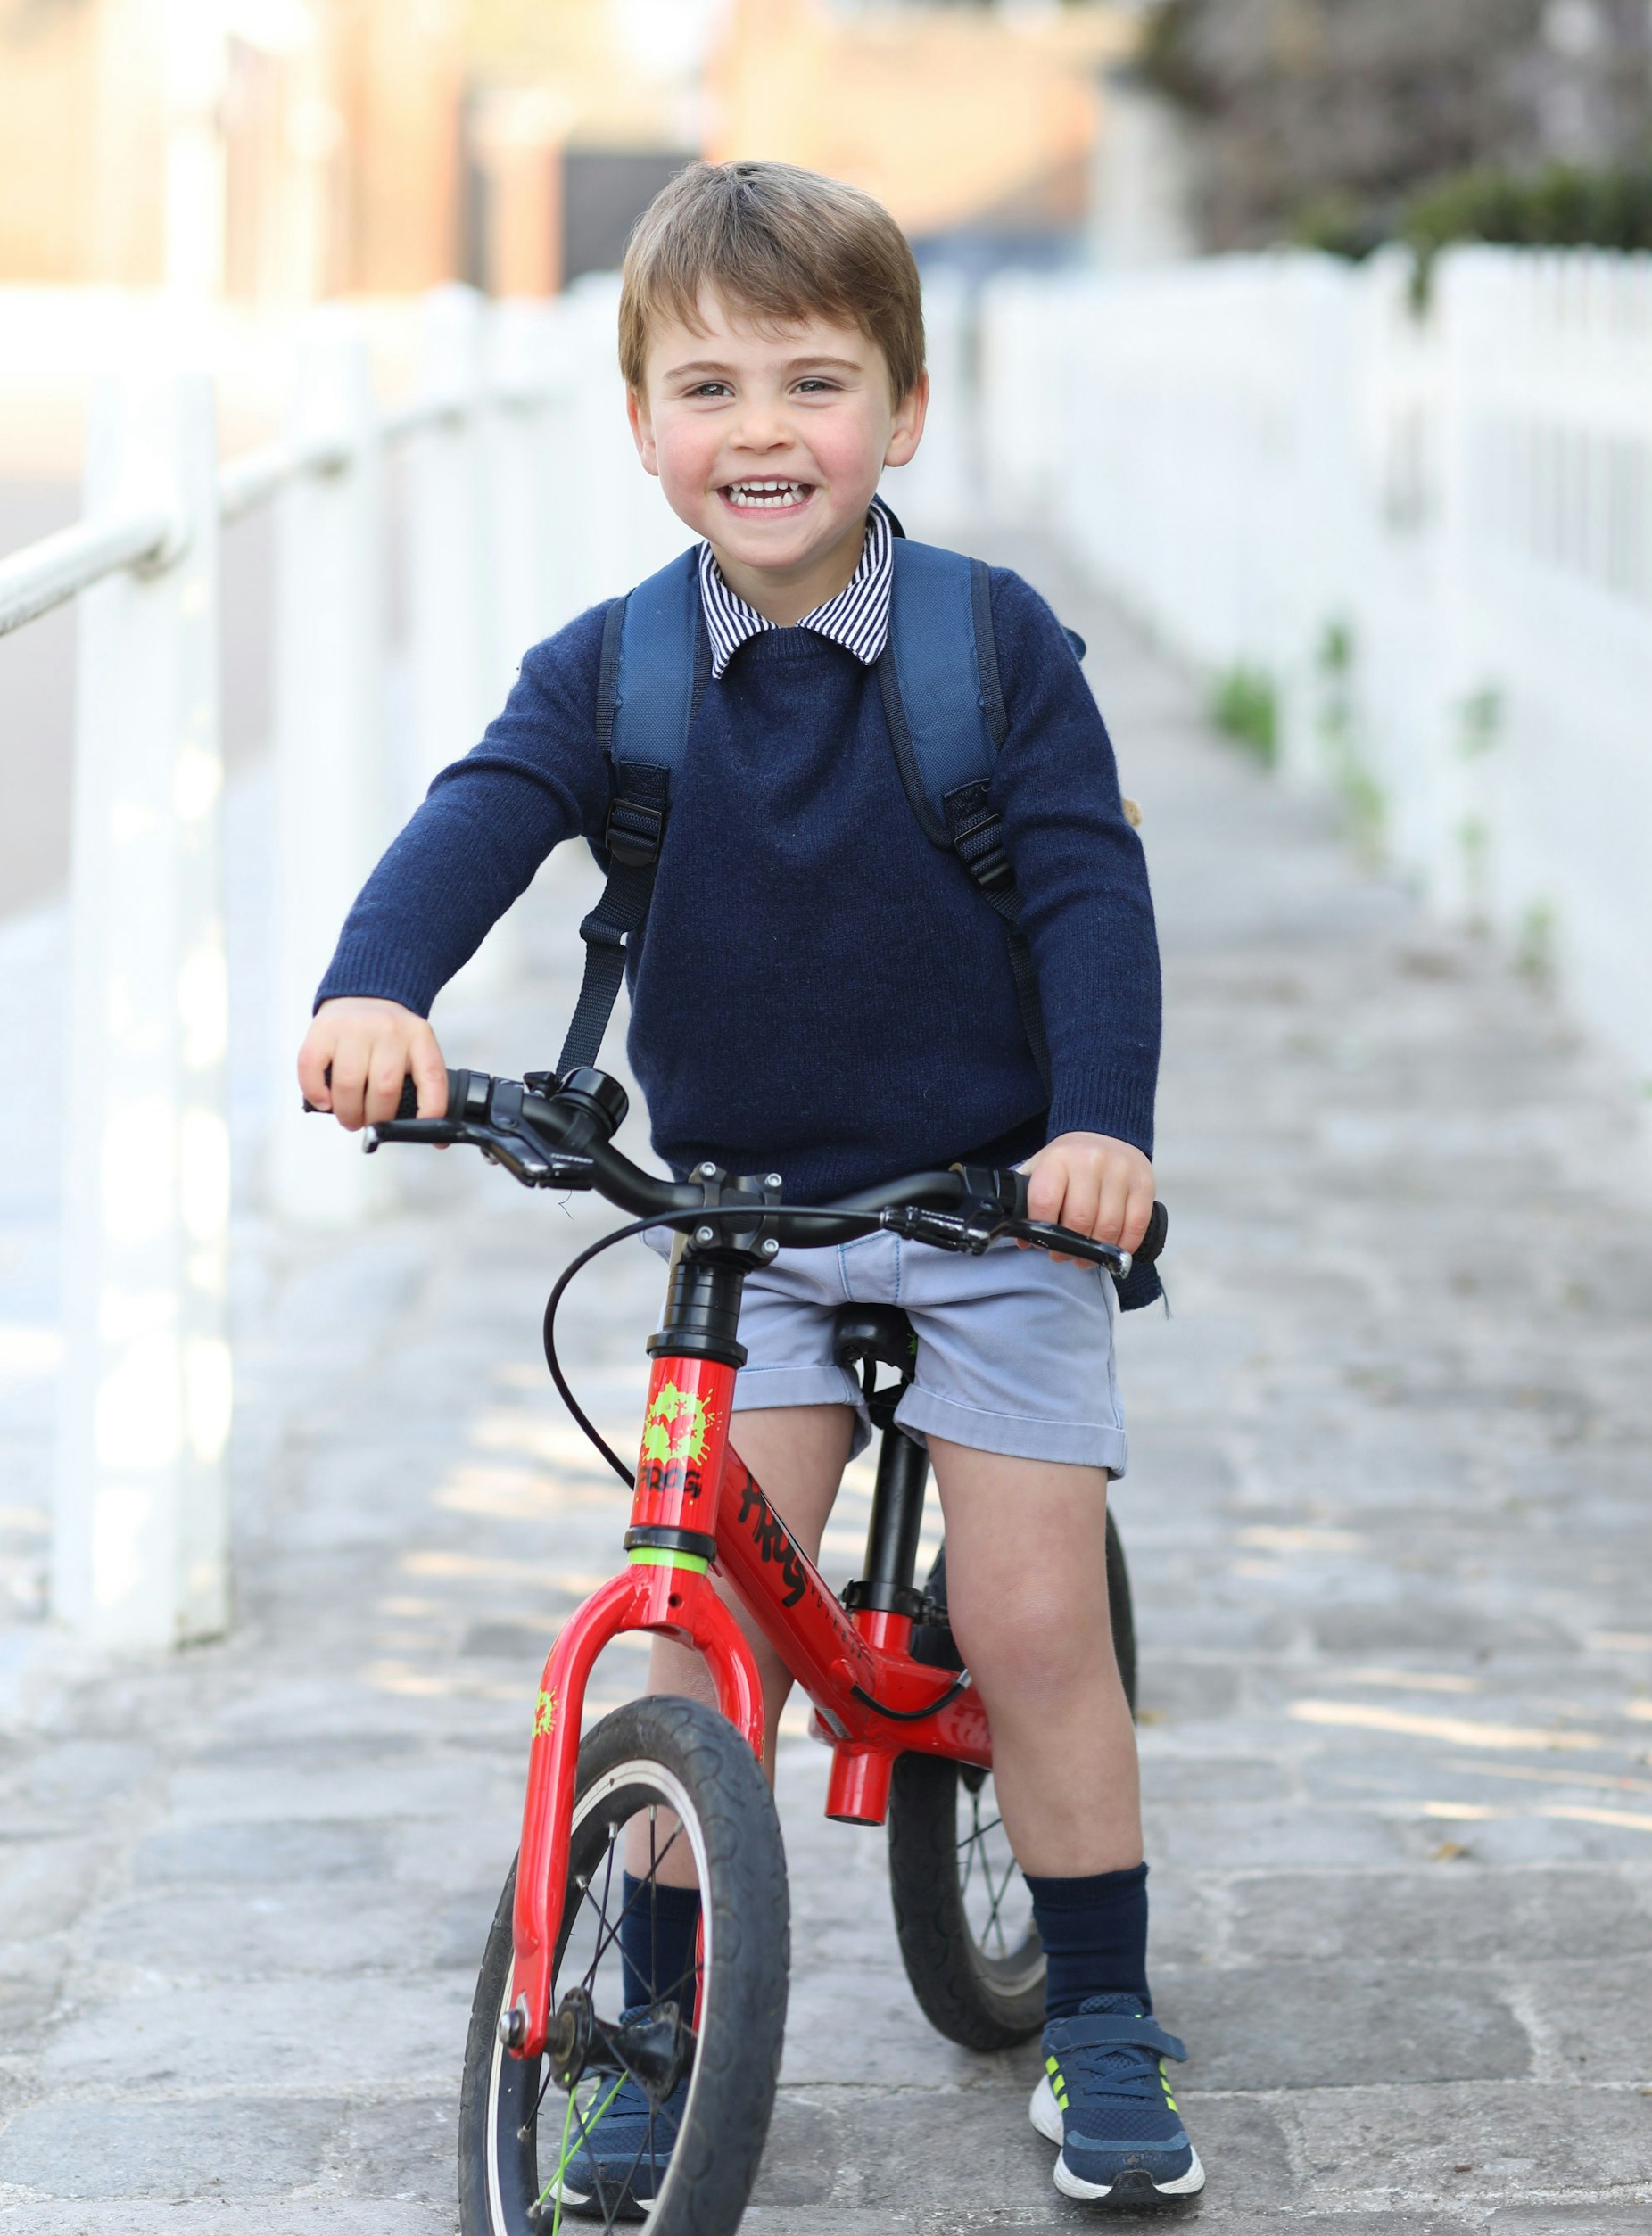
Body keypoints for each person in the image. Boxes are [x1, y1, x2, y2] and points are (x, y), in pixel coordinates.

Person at [298, 160, 1200, 2211]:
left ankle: (1101, 2011)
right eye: (708, 390)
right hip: (738, 1221)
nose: (763, 432)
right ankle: (646, 2024)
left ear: (903, 408)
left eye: (815, 381)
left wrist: (1101, 1127)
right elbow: (483, 817)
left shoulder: (990, 646)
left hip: (992, 1205)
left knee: (1032, 1615)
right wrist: (377, 989)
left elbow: (1085, 884)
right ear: (639, 428)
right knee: (697, 1640)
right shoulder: (610, 670)